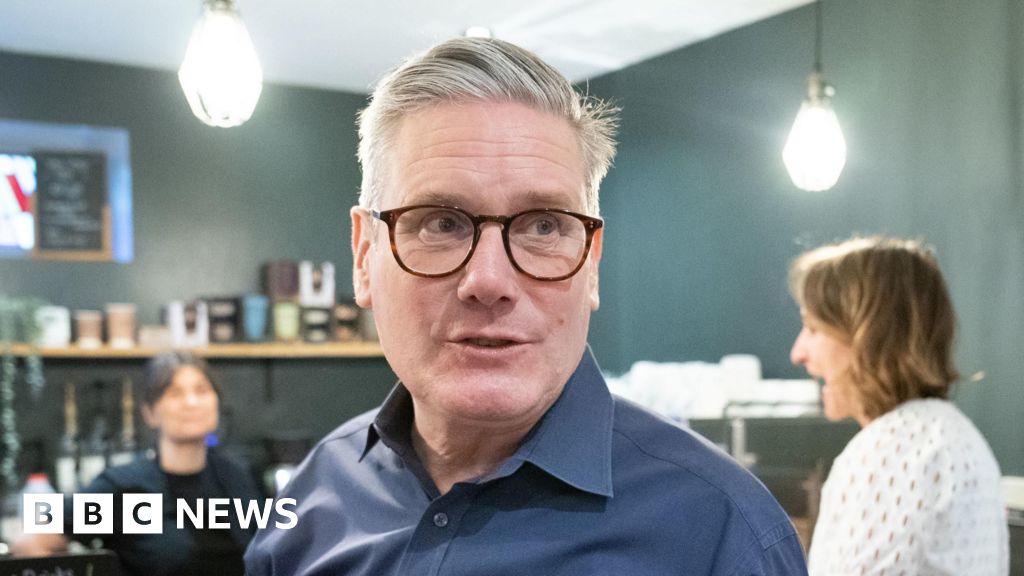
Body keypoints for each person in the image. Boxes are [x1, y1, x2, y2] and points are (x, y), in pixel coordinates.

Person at [244, 37, 807, 575]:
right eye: (442, 223)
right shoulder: (315, 496)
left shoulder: (723, 536)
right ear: (365, 255)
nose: (490, 280)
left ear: (591, 261)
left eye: (544, 225)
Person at [788, 236, 1009, 575]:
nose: (798, 353)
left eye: (813, 328)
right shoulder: (957, 436)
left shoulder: (890, 453)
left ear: (869, 337)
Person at [14, 351, 263, 576]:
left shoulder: (236, 477)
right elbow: (32, 540)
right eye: (175, 393)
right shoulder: (125, 487)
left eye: (202, 390)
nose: (191, 402)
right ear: (150, 412)